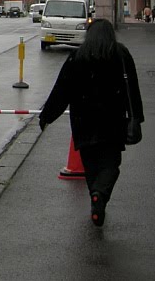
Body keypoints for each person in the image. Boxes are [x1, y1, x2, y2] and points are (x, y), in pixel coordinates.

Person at [38, 19, 144, 227]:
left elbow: (61, 92)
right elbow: (133, 90)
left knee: (91, 166)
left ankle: (96, 198)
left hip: (83, 122)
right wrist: (136, 118)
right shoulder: (121, 55)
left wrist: (46, 116)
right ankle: (100, 196)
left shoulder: (77, 57)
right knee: (111, 165)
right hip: (112, 122)